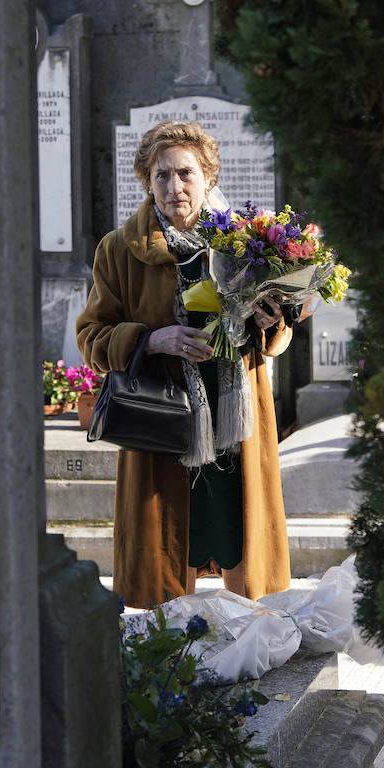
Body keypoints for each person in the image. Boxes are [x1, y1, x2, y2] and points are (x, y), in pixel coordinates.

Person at [76, 120, 292, 609]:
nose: (175, 187)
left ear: (209, 178)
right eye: (162, 176)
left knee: (241, 543)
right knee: (170, 557)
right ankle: (173, 664)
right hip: (165, 429)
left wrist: (272, 319)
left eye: (186, 173)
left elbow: (274, 341)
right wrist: (152, 339)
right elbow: (91, 337)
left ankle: (251, 648)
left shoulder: (246, 244)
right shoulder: (119, 250)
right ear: (148, 183)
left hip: (237, 426)